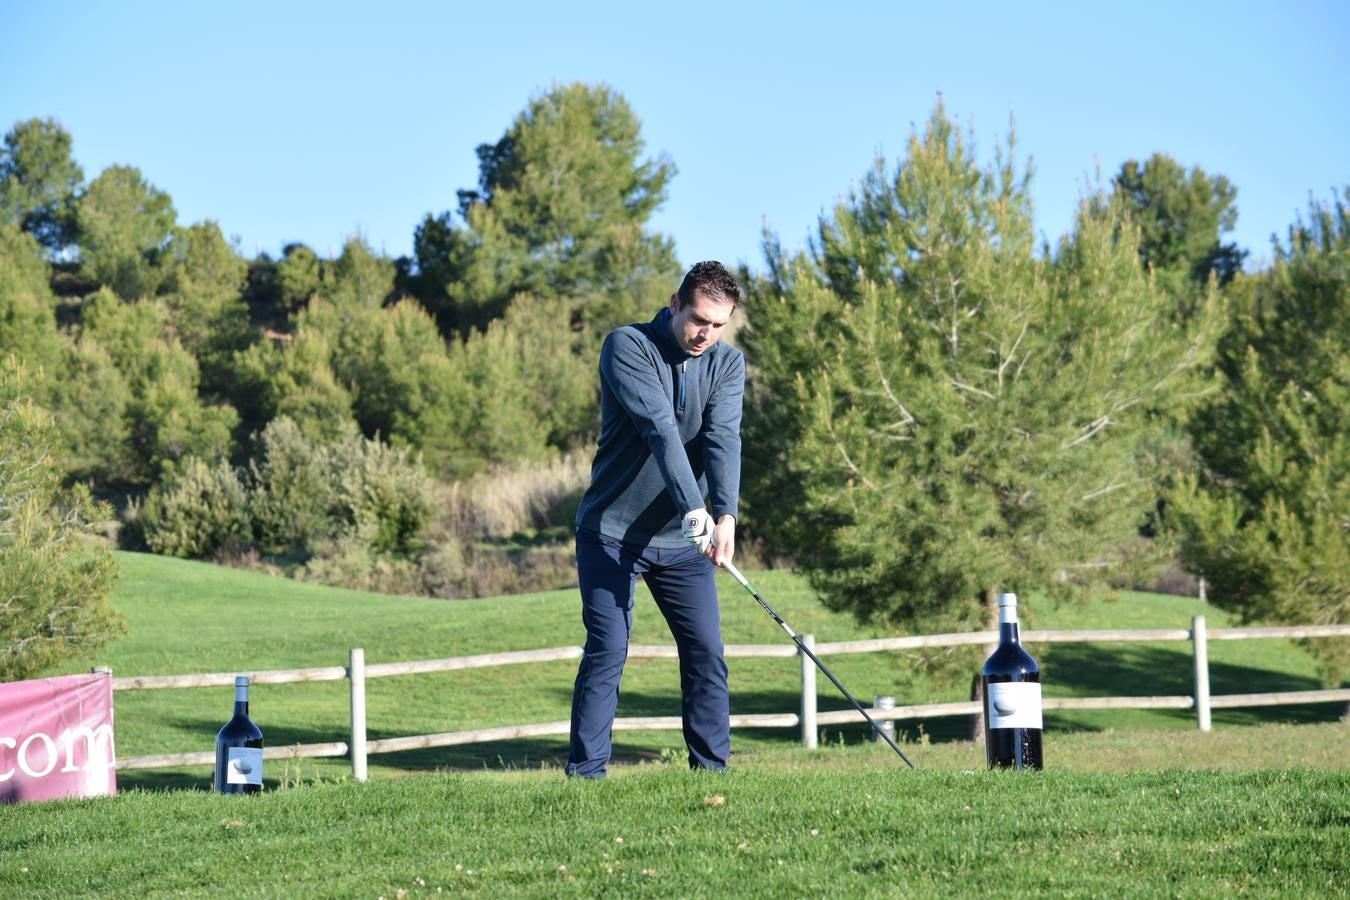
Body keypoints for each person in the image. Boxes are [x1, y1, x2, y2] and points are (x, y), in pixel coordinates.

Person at [566, 260, 744, 779]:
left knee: (707, 651)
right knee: (608, 650)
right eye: (698, 320)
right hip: (611, 534)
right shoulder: (626, 346)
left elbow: (722, 439)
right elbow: (660, 430)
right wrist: (696, 508)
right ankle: (585, 778)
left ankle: (711, 773)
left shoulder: (726, 365)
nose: (705, 334)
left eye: (718, 325)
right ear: (674, 304)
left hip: (681, 544)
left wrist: (726, 515)